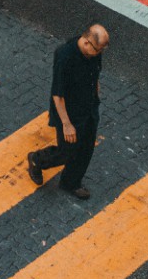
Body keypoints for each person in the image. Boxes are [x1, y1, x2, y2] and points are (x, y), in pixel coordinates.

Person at [27, 24, 110, 199]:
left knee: (86, 149)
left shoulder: (94, 53)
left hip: (89, 109)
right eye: (98, 49)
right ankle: (37, 159)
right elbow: (58, 95)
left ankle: (70, 183)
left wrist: (96, 97)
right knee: (66, 152)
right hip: (69, 114)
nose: (100, 53)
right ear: (87, 42)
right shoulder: (65, 57)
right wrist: (66, 124)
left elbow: (95, 76)